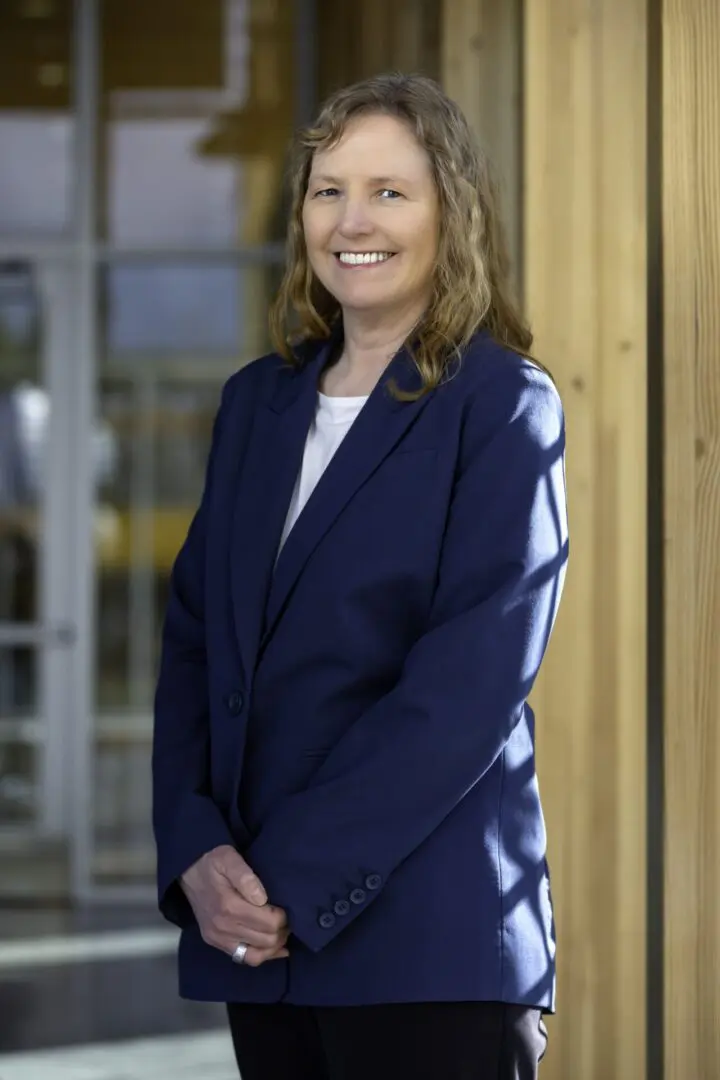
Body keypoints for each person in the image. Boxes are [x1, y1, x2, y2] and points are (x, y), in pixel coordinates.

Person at [152, 72, 568, 1080]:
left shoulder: (504, 405)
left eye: (390, 191)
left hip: (431, 943)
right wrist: (198, 855)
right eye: (327, 189)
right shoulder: (260, 403)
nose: (352, 220)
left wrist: (284, 880)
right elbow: (197, 644)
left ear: (448, 213)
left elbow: (466, 690)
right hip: (261, 941)